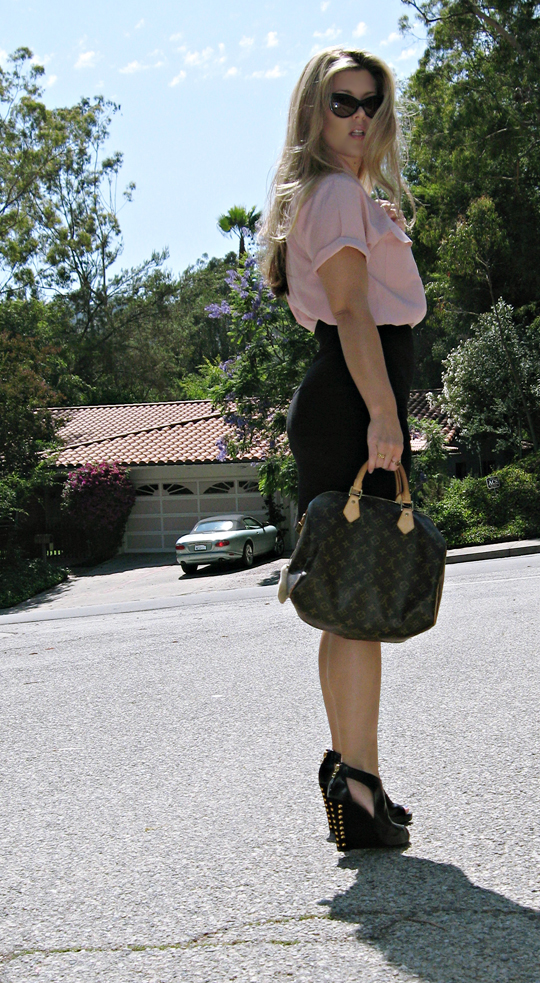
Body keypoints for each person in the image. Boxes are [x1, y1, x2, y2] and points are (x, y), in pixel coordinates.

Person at [260, 48, 427, 850]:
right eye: (341, 102)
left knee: (346, 604)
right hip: (355, 399)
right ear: (313, 111)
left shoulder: (343, 194)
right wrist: (385, 415)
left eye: (371, 101)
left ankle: (355, 775)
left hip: (349, 399)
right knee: (356, 606)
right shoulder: (332, 193)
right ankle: (358, 785)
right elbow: (356, 314)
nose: (359, 116)